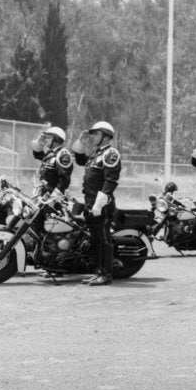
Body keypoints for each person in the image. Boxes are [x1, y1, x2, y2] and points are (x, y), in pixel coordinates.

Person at [73, 121, 121, 286]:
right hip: (90, 203)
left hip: (102, 205)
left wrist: (99, 204)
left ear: (106, 136)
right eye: (92, 133)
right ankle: (98, 272)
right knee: (95, 240)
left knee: (104, 239)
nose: (92, 136)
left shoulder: (110, 153)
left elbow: (110, 181)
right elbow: (79, 160)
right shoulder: (95, 154)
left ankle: (106, 274)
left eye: (96, 133)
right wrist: (81, 143)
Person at [31, 125, 74, 197]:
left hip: (53, 198)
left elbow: (64, 180)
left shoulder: (63, 155)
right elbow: (37, 155)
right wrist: (39, 144)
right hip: (43, 195)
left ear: (56, 140)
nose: (45, 140)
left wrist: (53, 197)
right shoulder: (50, 153)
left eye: (48, 137)